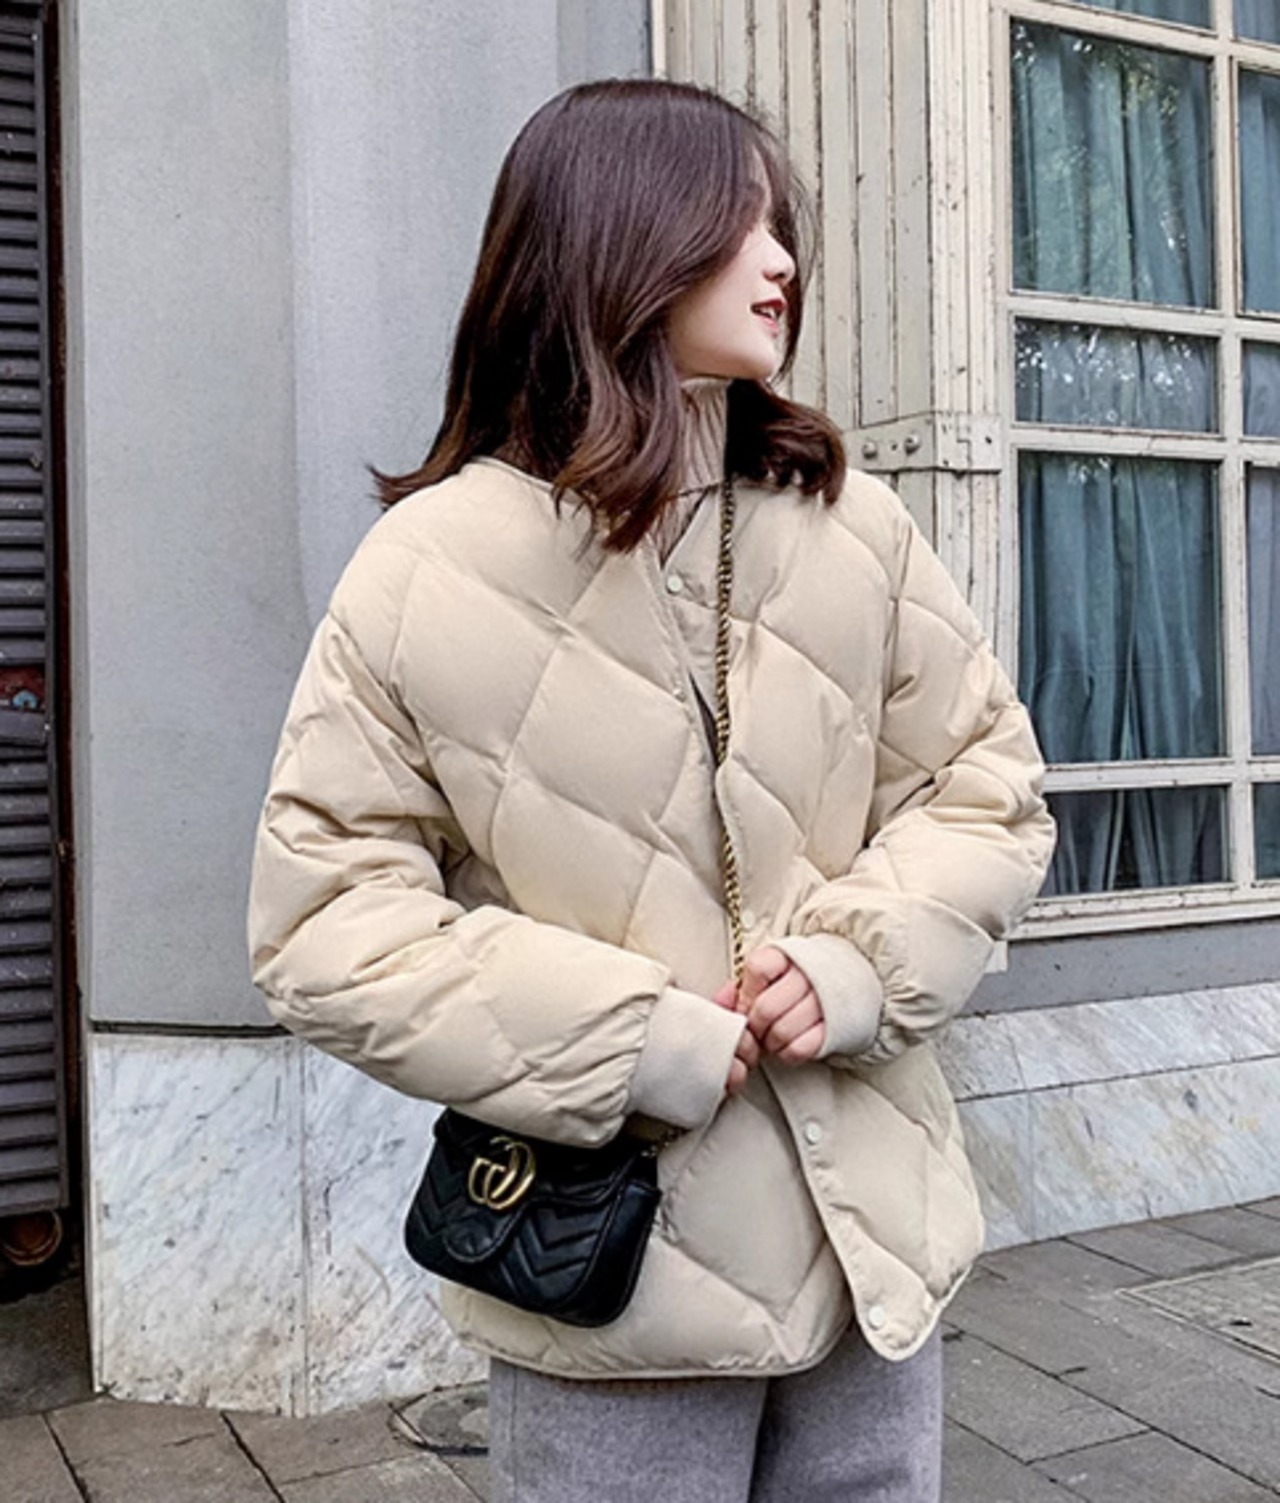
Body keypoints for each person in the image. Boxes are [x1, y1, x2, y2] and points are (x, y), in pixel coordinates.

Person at [248, 78, 1055, 1503]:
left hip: (873, 1242)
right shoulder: (426, 569)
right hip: (611, 1267)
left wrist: (858, 962)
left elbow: (985, 785)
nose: (783, 259)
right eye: (742, 221)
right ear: (619, 236)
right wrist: (623, 1036)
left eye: (784, 226)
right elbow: (325, 926)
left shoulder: (852, 525)